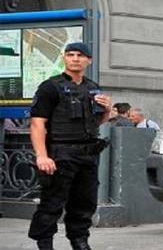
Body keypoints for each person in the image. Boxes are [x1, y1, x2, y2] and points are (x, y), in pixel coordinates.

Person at [27, 42, 113, 250]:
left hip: (88, 154)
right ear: (64, 58)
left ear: (88, 60)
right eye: (70, 54)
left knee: (85, 202)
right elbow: (37, 123)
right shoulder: (50, 87)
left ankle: (80, 241)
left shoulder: (93, 88)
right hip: (60, 152)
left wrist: (108, 110)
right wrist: (42, 156)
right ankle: (45, 243)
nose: (75, 58)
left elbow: (96, 122)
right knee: (52, 202)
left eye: (80, 55)